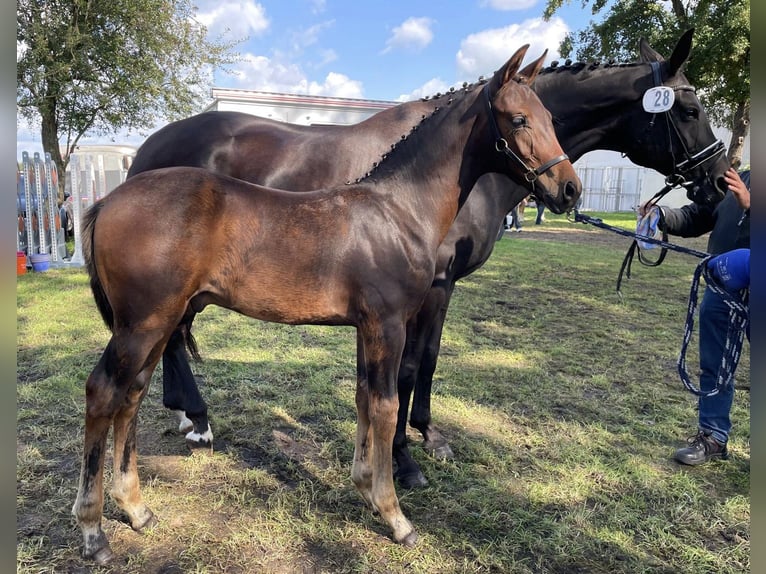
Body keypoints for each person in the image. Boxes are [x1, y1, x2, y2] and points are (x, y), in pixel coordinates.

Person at [641, 167, 750, 465]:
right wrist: (661, 215)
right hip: (723, 287)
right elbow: (697, 216)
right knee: (713, 366)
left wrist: (751, 206)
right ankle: (713, 437)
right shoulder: (736, 179)